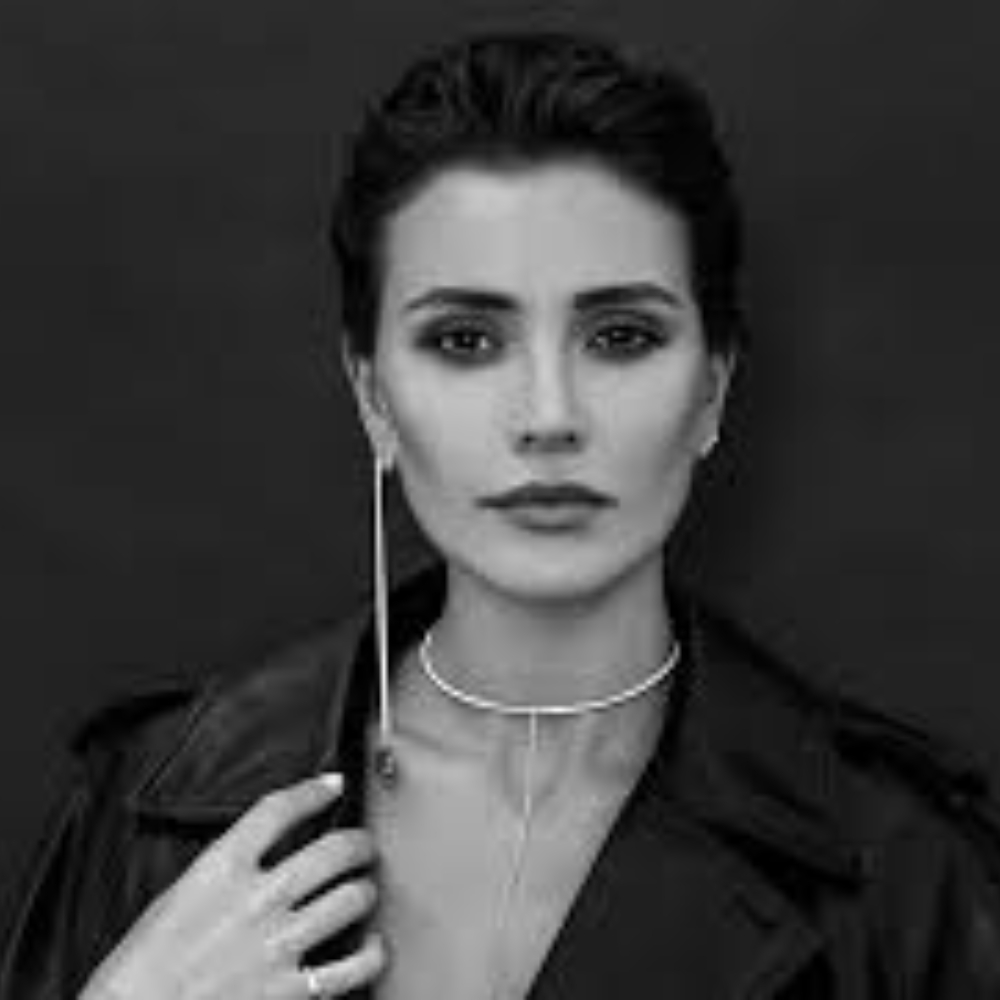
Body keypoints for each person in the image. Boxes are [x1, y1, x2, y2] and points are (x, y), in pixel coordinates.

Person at [3, 28, 1000, 1000]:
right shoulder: (150, 814)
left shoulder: (905, 872)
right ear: (373, 396)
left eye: (620, 335)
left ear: (712, 390)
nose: (549, 416)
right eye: (466, 340)